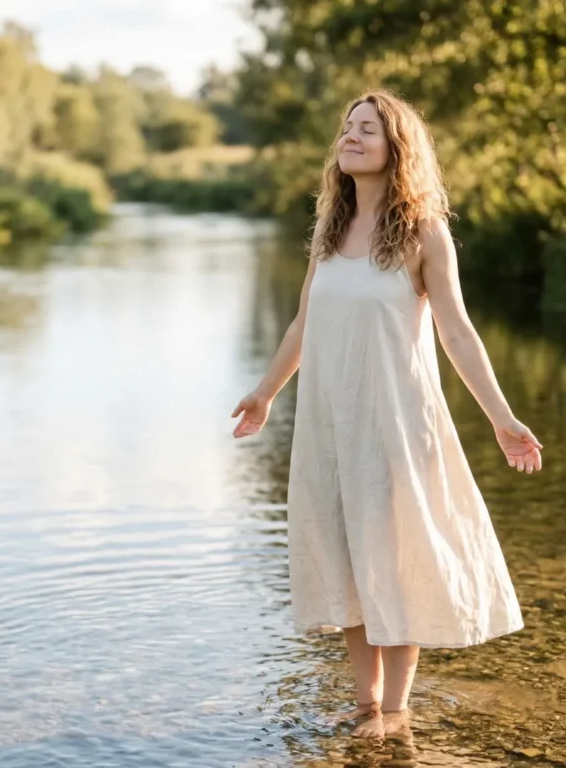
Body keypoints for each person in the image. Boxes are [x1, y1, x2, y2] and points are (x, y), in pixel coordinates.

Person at [230, 89, 543, 739]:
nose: (351, 136)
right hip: (332, 422)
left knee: (396, 555)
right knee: (346, 553)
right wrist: (264, 392)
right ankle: (366, 703)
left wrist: (502, 417)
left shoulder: (425, 231)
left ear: (396, 148)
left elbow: (457, 332)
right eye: (347, 127)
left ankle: (395, 711)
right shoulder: (328, 229)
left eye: (367, 128)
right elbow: (304, 323)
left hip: (400, 422)